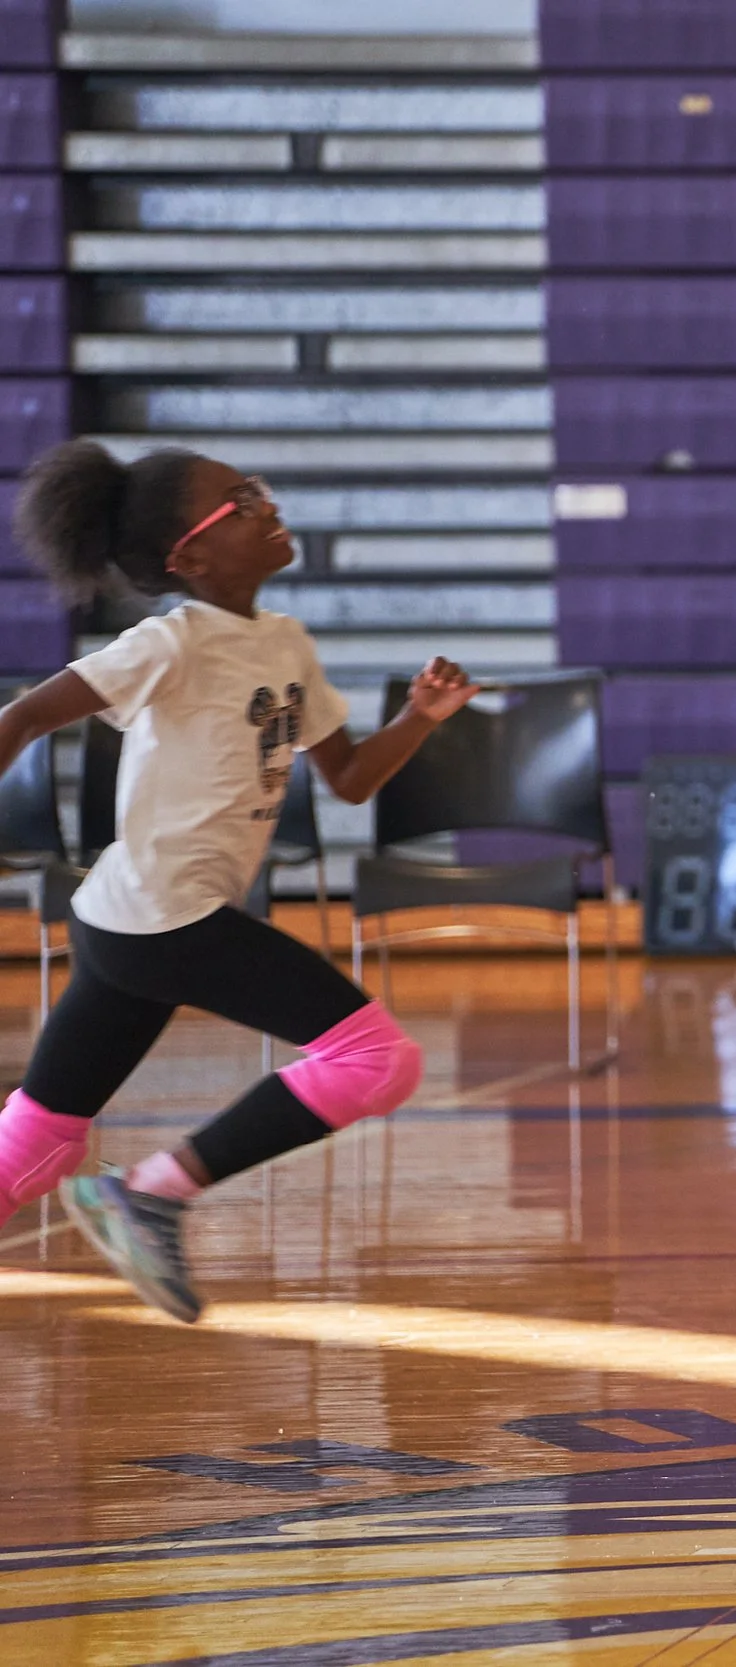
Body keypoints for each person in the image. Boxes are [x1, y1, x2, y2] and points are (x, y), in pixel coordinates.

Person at [0, 440, 476, 1321]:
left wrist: (418, 717)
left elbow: (351, 778)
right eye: (241, 500)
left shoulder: (285, 642)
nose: (267, 504)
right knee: (376, 1060)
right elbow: (24, 716)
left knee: (40, 1138)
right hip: (162, 914)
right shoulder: (169, 642)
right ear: (191, 556)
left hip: (129, 920)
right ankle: (156, 1192)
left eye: (257, 490)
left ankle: (136, 1193)